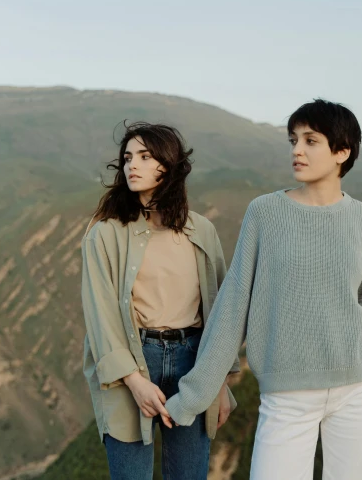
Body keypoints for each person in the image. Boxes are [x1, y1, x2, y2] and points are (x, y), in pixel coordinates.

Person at [165, 100, 362, 479]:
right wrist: (196, 393)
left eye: (311, 140)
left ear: (342, 152)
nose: (296, 150)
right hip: (287, 395)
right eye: (293, 139)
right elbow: (232, 308)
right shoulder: (264, 213)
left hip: (358, 389)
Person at [80, 122, 240, 480]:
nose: (131, 165)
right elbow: (100, 316)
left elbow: (219, 309)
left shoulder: (201, 230)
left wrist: (221, 381)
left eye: (144, 156)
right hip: (133, 365)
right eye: (127, 158)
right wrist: (135, 382)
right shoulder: (105, 234)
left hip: (193, 362)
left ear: (168, 166)